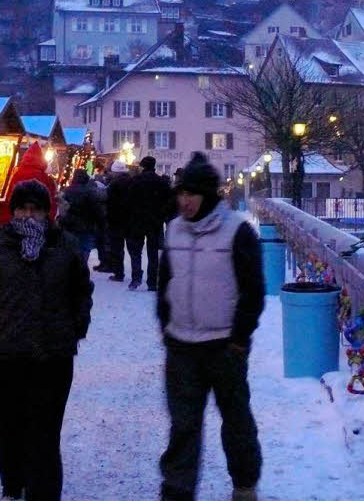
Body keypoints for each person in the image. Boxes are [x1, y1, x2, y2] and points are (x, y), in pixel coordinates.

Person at [0, 180, 94, 501]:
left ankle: (43, 492)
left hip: (53, 354)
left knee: (45, 431)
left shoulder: (65, 245)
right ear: (13, 210)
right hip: (7, 354)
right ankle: (13, 481)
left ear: (48, 212)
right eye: (22, 208)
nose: (29, 215)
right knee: (8, 425)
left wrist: (76, 325)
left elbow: (82, 290)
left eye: (36, 208)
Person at [156, 152, 265, 501]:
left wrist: (239, 338)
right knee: (183, 424)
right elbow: (165, 281)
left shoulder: (237, 231)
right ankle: (177, 489)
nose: (184, 201)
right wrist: (166, 324)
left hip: (224, 346)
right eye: (181, 194)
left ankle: (244, 483)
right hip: (182, 344)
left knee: (235, 420)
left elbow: (253, 290)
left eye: (191, 194)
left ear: (209, 195)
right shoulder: (173, 229)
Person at [126, 155, 172, 291]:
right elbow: (167, 202)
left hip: (137, 220)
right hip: (154, 221)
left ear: (143, 166)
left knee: (136, 251)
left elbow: (128, 201)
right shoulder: (161, 182)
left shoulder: (135, 181)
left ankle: (136, 278)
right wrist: (161, 215)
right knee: (152, 253)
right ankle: (152, 281)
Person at [0, 142, 58, 225]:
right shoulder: (45, 178)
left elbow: (9, 197)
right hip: (38, 219)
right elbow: (51, 201)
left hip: (15, 217)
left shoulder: (17, 174)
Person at [58, 169, 105, 264]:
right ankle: (80, 274)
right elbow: (97, 211)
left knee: (69, 251)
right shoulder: (91, 192)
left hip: (69, 226)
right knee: (83, 253)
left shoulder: (67, 191)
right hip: (87, 227)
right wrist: (100, 225)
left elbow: (62, 209)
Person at [105, 160, 133, 282]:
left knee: (117, 248)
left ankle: (119, 273)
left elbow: (110, 203)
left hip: (116, 220)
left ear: (115, 172)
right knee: (133, 249)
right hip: (130, 219)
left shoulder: (113, 185)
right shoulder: (132, 182)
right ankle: (136, 274)